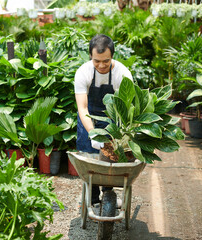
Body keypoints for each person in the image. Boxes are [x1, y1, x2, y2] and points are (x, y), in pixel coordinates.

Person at [74, 34, 133, 204]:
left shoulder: (122, 74)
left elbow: (126, 108)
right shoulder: (83, 72)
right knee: (89, 158)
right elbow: (82, 107)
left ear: (112, 56)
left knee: (110, 157)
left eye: (105, 61)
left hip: (112, 118)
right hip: (89, 116)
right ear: (91, 57)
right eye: (96, 61)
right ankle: (92, 197)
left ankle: (108, 191)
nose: (101, 65)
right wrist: (92, 133)